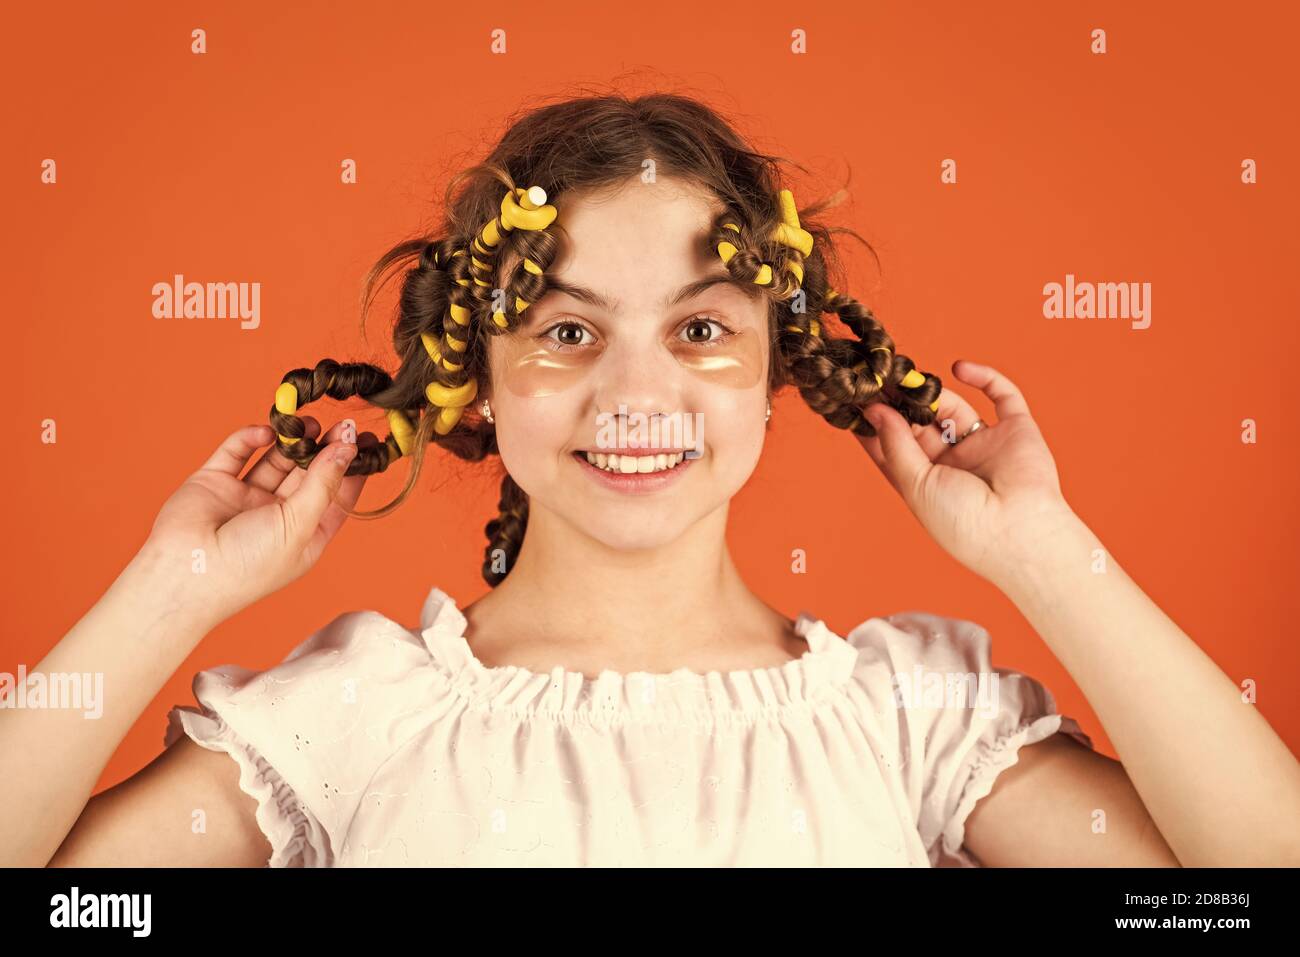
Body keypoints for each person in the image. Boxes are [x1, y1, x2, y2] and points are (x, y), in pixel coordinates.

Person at [8, 93, 1298, 867]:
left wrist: (1042, 555)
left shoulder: (913, 722)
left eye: (699, 329)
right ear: (479, 378)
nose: (635, 396)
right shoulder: (352, 721)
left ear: (773, 366)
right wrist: (173, 587)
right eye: (569, 333)